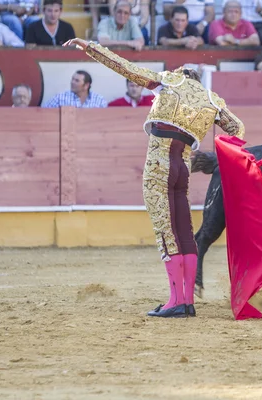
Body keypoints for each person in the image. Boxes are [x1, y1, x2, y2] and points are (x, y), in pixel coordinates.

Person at [63, 37, 245, 319]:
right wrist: (224, 153)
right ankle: (186, 302)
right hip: (182, 167)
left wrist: (90, 48)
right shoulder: (211, 100)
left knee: (165, 230)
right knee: (184, 231)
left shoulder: (169, 82)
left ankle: (175, 301)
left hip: (159, 165)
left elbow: (126, 69)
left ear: (181, 74)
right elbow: (237, 128)